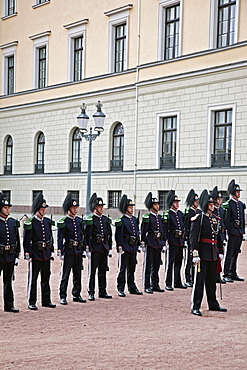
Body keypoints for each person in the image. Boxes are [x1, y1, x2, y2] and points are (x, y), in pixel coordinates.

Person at [190, 189, 227, 316]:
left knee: (212, 281)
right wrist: (195, 252)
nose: (213, 206)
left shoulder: (215, 219)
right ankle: (196, 306)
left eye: (213, 204)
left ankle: (213, 303)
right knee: (199, 282)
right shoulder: (199, 219)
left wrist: (220, 251)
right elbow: (194, 237)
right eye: (210, 205)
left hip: (212, 254)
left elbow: (218, 237)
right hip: (202, 254)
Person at [23, 193, 56, 310]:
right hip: (35, 254)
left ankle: (46, 300)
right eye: (42, 209)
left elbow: (50, 237)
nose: (44, 211)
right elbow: (27, 241)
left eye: (44, 209)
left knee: (46, 278)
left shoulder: (47, 222)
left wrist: (51, 250)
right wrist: (28, 254)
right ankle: (31, 301)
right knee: (33, 279)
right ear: (38, 210)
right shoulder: (31, 222)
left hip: (45, 253)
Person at [57, 193, 86, 305]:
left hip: (77, 250)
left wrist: (83, 249)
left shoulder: (78, 221)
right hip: (68, 251)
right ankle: (62, 295)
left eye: (76, 208)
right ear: (69, 209)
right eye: (73, 208)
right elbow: (60, 238)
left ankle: (76, 294)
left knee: (77, 274)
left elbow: (81, 235)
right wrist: (60, 251)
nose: (75, 209)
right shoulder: (64, 221)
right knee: (65, 275)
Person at [84, 193, 112, 301]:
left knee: (102, 270)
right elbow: (87, 235)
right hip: (94, 248)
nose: (101, 209)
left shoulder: (105, 219)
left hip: (103, 247)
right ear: (95, 208)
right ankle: (91, 292)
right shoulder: (91, 219)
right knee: (92, 272)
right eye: (99, 207)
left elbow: (109, 234)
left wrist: (109, 247)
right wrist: (87, 248)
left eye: (102, 207)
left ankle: (102, 290)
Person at [115, 194, 142, 297]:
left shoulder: (134, 219)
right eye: (129, 207)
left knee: (132, 268)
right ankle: (120, 288)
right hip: (125, 246)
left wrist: (138, 244)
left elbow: (137, 232)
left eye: (132, 207)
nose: (131, 209)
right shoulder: (122, 220)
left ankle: (132, 286)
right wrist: (120, 246)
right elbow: (119, 235)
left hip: (133, 247)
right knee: (122, 269)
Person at [141, 192, 166, 293]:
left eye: (158, 204)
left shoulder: (159, 218)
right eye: (155, 205)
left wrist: (163, 242)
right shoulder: (148, 217)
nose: (157, 206)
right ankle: (147, 285)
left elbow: (163, 231)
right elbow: (143, 231)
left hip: (158, 243)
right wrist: (142, 243)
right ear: (152, 206)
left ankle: (155, 284)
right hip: (150, 242)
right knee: (148, 265)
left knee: (156, 265)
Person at [0, 192, 20, 313]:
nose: (8, 210)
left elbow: (17, 239)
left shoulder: (12, 222)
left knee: (8, 282)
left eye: (8, 208)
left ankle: (9, 305)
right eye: (5, 208)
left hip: (10, 256)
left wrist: (17, 254)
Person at [223, 180, 245, 282]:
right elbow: (227, 219)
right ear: (233, 193)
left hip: (239, 231)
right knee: (230, 253)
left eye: (239, 192)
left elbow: (242, 219)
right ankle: (226, 273)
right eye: (237, 192)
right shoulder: (229, 204)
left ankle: (233, 272)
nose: (239, 193)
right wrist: (227, 231)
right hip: (232, 230)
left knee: (236, 253)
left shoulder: (240, 204)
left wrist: (243, 231)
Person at [164, 190, 187, 291]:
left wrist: (184, 239)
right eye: (175, 202)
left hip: (180, 240)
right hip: (172, 240)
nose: (177, 204)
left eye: (178, 202)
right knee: (170, 263)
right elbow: (166, 229)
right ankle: (168, 282)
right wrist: (166, 241)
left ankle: (177, 281)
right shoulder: (168, 214)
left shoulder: (181, 214)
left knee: (179, 262)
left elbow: (183, 227)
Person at [184, 189, 201, 287]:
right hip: (190, 238)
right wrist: (186, 239)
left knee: (196, 259)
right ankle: (187, 277)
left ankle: (195, 277)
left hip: (197, 238)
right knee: (189, 259)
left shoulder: (198, 211)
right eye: (195, 201)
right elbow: (186, 226)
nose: (197, 203)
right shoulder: (188, 212)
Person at [211, 186, 226, 284]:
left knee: (220, 257)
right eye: (218, 199)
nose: (220, 201)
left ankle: (218, 275)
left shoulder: (221, 210)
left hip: (221, 234)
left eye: (221, 199)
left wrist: (225, 235)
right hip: (215, 235)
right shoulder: (213, 210)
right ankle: (214, 275)